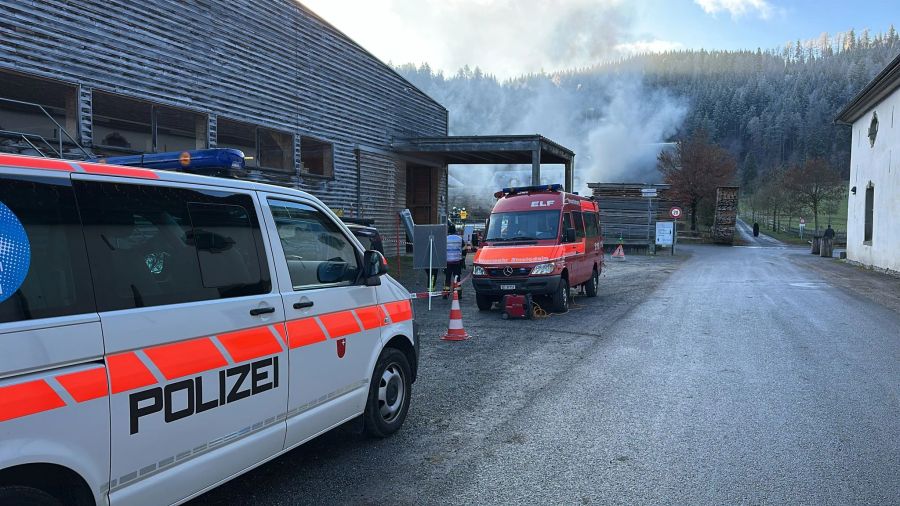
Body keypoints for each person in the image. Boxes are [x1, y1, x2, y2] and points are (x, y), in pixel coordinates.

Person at [444, 224, 464, 298]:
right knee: (457, 277)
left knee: (447, 277)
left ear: (448, 231)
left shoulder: (445, 239)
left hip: (448, 261)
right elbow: (464, 248)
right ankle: (458, 294)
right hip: (457, 261)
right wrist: (463, 260)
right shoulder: (459, 238)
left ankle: (446, 294)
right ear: (455, 230)